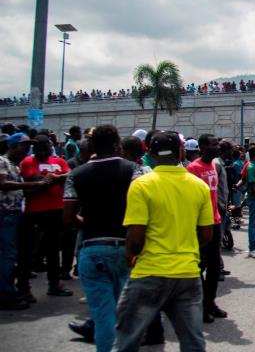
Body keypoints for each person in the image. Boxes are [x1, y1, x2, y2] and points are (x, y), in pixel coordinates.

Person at [113, 131, 215, 352]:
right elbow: (207, 235)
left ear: (151, 153)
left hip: (149, 271)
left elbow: (136, 237)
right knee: (193, 343)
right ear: (180, 152)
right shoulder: (199, 186)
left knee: (126, 340)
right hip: (188, 273)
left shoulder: (142, 185)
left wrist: (130, 256)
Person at [62, 125, 137, 351]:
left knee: (103, 314)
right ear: (117, 145)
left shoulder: (75, 174)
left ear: (92, 146)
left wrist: (90, 223)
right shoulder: (135, 170)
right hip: (126, 247)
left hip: (92, 247)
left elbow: (67, 217)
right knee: (126, 312)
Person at [17, 134, 72, 301]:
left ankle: (54, 284)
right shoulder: (27, 162)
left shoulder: (59, 162)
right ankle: (23, 287)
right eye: (38, 148)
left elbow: (69, 176)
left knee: (53, 250)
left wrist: (53, 179)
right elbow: (30, 181)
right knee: (26, 251)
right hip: (34, 211)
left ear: (50, 147)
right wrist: (47, 182)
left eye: (45, 147)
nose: (42, 151)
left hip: (56, 210)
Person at [186, 135, 227, 323]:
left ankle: (210, 302)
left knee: (213, 268)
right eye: (213, 144)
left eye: (217, 144)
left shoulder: (213, 165)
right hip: (200, 225)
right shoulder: (193, 168)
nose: (217, 147)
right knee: (199, 267)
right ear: (201, 147)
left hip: (215, 221)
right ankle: (201, 306)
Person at [0, 134, 42, 310]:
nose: (26, 150)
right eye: (23, 146)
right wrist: (34, 185)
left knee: (11, 255)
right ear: (13, 146)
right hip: (5, 214)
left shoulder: (15, 166)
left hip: (14, 214)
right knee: (7, 256)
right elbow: (3, 184)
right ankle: (6, 295)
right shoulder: (2, 162)